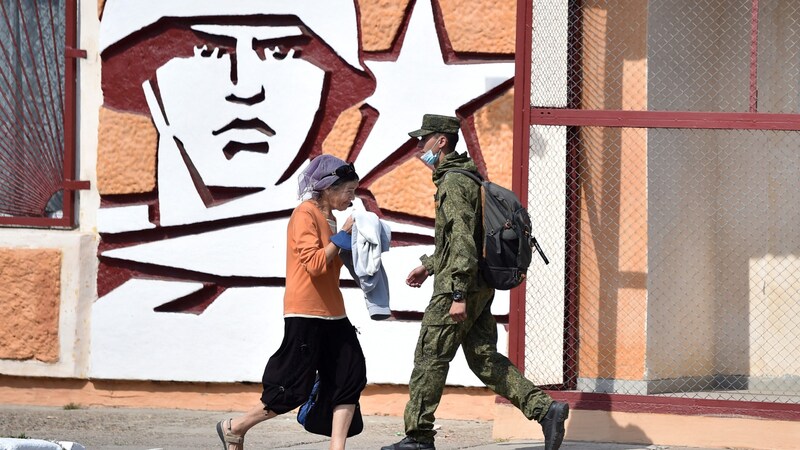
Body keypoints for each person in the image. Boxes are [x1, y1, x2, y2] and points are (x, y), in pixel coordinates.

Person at [381, 115, 570, 450]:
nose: (419, 148)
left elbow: (464, 243)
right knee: (483, 357)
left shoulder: (453, 183)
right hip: (478, 285)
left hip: (461, 287)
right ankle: (545, 410)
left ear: (441, 141)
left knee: (430, 358)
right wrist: (428, 265)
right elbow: (460, 238)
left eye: (423, 141)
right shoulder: (469, 176)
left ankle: (419, 438)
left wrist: (456, 293)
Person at [216, 155, 366, 450]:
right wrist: (341, 238)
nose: (352, 198)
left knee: (350, 376)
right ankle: (236, 427)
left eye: (354, 191)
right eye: (348, 190)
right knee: (291, 385)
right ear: (328, 188)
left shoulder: (331, 218)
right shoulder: (305, 214)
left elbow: (334, 263)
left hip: (334, 313)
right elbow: (314, 264)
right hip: (305, 312)